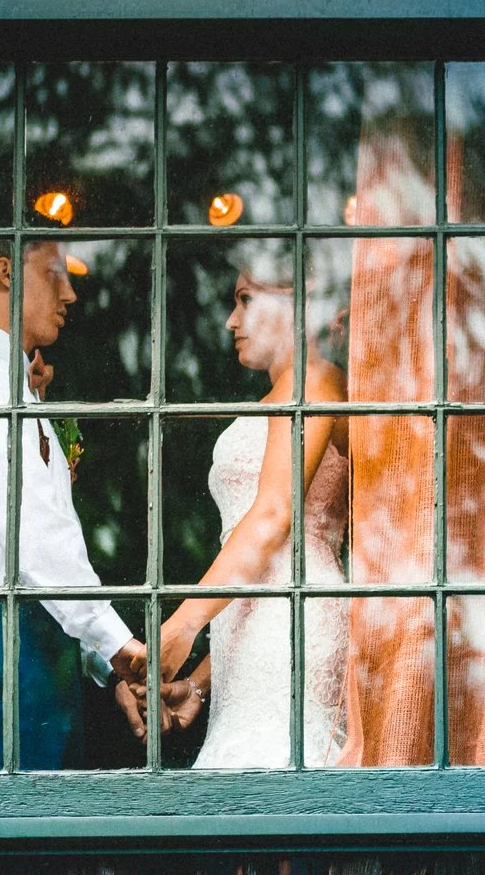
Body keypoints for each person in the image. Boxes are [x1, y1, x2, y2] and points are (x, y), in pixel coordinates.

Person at [0, 237, 149, 770]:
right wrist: (116, 645)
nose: (70, 293)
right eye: (54, 273)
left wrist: (103, 658)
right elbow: (33, 538)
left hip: (24, 642)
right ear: (5, 271)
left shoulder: (7, 385)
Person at [148, 255, 353, 768]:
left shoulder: (319, 381)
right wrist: (198, 683)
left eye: (244, 299)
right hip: (253, 634)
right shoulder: (281, 393)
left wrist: (182, 624)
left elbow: (272, 517)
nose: (230, 321)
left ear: (295, 303)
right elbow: (256, 573)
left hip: (297, 621)